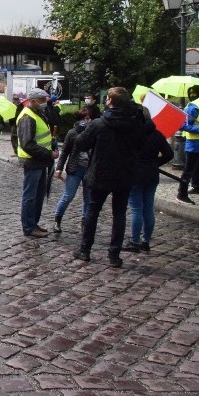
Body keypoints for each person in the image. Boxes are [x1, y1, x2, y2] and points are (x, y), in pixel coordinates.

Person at [73, 86, 149, 267]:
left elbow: (81, 143)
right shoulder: (135, 123)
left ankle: (85, 250)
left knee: (93, 211)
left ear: (111, 101)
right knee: (119, 214)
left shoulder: (98, 124)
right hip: (125, 173)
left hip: (101, 173)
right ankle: (114, 255)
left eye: (107, 98)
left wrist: (80, 130)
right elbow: (143, 144)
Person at [124, 118, 174, 253]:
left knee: (136, 209)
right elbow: (169, 154)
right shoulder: (157, 134)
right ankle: (146, 241)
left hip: (135, 174)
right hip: (151, 174)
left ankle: (135, 241)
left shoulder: (132, 134)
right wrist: (155, 163)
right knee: (148, 208)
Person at [16, 88, 59, 238]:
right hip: (32, 161)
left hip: (41, 161)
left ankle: (33, 223)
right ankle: (28, 227)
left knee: (39, 195)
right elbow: (28, 144)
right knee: (30, 196)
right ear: (32, 101)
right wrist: (49, 153)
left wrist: (51, 147)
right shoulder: (27, 117)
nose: (43, 103)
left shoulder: (38, 114)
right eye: (41, 101)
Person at [52, 108, 92, 233]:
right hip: (75, 168)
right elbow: (65, 151)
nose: (88, 121)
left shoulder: (94, 132)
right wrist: (59, 168)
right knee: (68, 196)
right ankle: (57, 221)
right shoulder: (72, 133)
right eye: (85, 118)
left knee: (88, 198)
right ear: (79, 119)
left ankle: (85, 223)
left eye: (89, 118)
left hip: (90, 169)